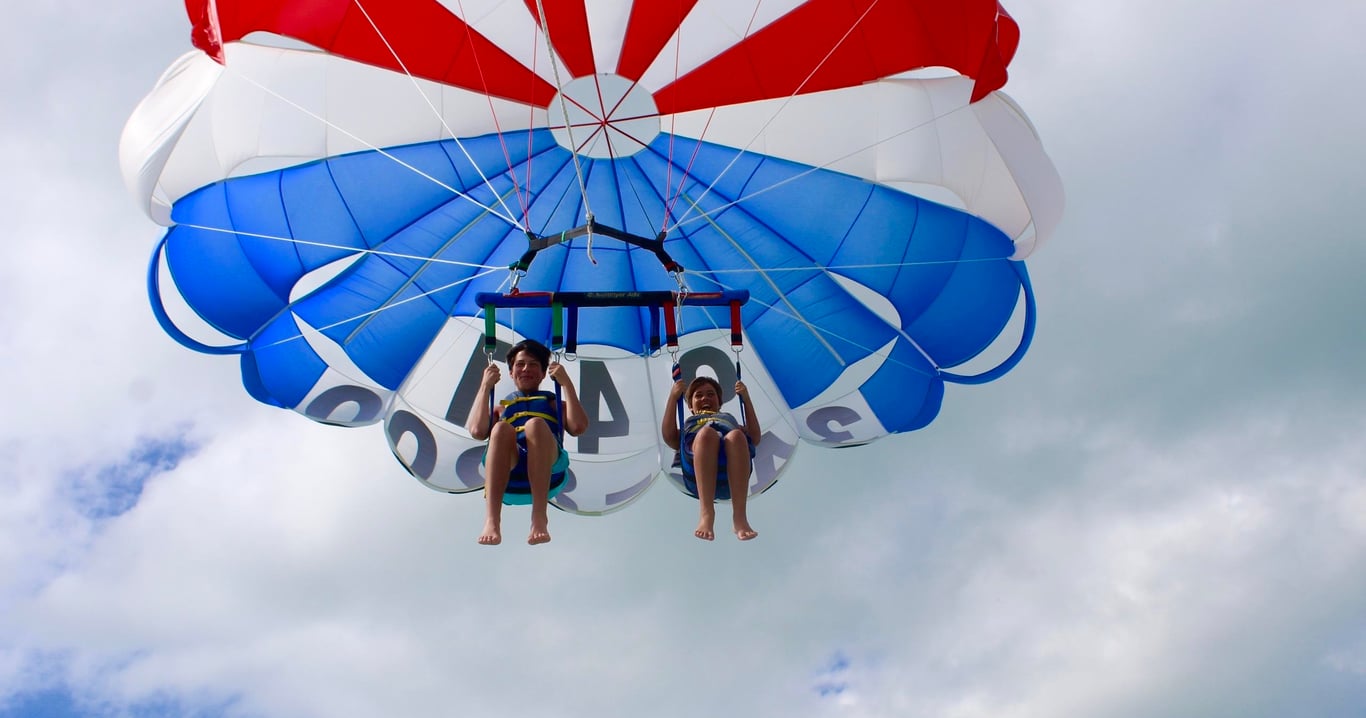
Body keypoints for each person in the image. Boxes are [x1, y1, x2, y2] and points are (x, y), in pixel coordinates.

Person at [465, 339, 587, 546]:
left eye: (532, 364)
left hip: (549, 470)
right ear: (511, 373)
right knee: (501, 428)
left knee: (536, 425)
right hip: (509, 474)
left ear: (542, 374)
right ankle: (492, 520)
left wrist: (566, 383)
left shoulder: (552, 402)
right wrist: (485, 386)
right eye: (520, 364)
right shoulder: (502, 408)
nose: (526, 369)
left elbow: (578, 427)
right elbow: (477, 431)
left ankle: (539, 517)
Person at [662, 375, 761, 541]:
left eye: (710, 394)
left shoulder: (729, 419)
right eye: (698, 395)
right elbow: (669, 436)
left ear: (719, 402)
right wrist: (673, 397)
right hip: (697, 470)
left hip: (731, 473)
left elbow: (755, 437)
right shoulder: (691, 422)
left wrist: (746, 399)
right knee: (707, 433)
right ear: (690, 406)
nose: (705, 398)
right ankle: (706, 514)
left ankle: (740, 517)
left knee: (737, 435)